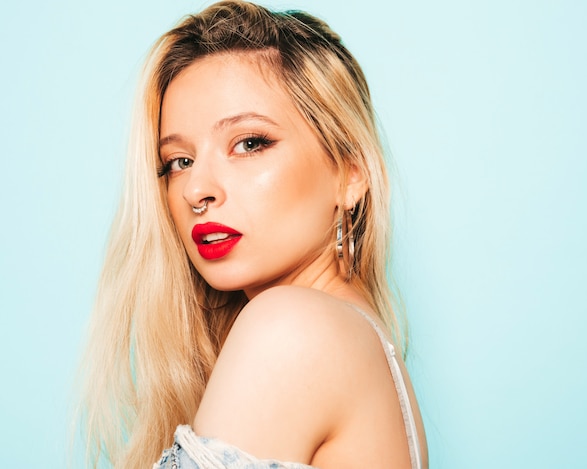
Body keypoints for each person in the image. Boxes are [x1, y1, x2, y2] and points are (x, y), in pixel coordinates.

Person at [78, 1, 428, 467]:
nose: (197, 190)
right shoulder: (359, 340)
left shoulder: (293, 327)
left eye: (249, 143)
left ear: (349, 173)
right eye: (179, 161)